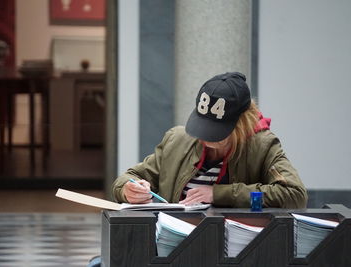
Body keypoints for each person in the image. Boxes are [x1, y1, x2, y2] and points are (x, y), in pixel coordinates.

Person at [112, 72, 308, 208]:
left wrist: (219, 194)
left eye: (216, 131)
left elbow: (295, 194)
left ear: (243, 123)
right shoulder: (177, 140)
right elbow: (129, 177)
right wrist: (128, 190)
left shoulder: (263, 146)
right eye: (203, 126)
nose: (205, 137)